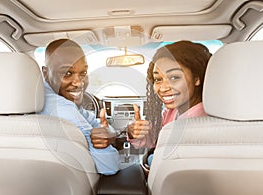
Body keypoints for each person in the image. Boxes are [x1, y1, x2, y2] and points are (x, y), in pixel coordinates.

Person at [40, 39, 120, 175]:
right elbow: (109, 167)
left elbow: (93, 121)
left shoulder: (42, 98)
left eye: (83, 73)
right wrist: (106, 139)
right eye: (67, 73)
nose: (79, 83)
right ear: (46, 74)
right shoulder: (64, 109)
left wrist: (110, 132)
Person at [127, 40, 212, 166]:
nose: (163, 88)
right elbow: (156, 139)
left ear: (197, 78)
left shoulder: (200, 122)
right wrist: (135, 133)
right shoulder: (173, 112)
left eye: (174, 77)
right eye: (158, 79)